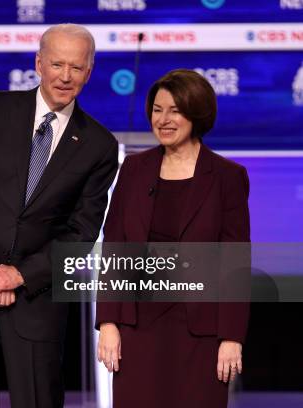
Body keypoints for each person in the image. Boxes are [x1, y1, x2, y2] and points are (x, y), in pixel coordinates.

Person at [0, 23, 118, 407]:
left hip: (37, 299)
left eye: (76, 67)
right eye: (56, 64)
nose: (65, 76)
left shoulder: (99, 145)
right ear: (38, 63)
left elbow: (80, 234)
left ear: (90, 71)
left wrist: (18, 275)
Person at [95, 69, 250, 408]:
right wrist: (108, 321)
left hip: (200, 332)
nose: (163, 120)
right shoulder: (134, 170)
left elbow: (235, 264)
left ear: (197, 113)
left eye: (175, 111)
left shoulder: (227, 177)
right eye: (157, 110)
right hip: (137, 329)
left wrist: (232, 338)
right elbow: (115, 247)